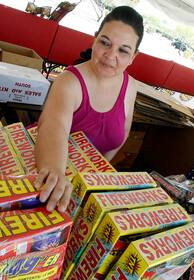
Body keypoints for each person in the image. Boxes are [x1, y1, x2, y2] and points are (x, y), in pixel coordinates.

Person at [34, 6, 144, 212]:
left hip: (82, 188)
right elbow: (53, 127)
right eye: (105, 43)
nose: (110, 55)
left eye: (123, 50)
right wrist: (56, 172)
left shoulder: (131, 87)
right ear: (94, 40)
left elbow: (122, 134)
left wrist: (93, 177)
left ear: (133, 58)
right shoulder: (69, 81)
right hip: (46, 178)